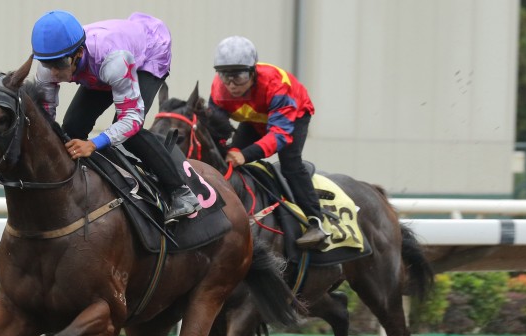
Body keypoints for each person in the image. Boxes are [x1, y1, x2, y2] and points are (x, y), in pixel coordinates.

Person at [31, 10, 201, 221]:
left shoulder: (114, 61)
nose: (54, 73)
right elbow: (46, 119)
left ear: (79, 53)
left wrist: (93, 144)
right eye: (49, 65)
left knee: (128, 134)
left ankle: (180, 192)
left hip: (150, 51)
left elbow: (132, 120)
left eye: (60, 65)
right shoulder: (50, 64)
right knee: (72, 127)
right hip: (101, 65)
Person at [209, 35, 329, 249]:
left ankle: (315, 222)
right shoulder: (218, 89)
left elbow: (279, 136)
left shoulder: (277, 85)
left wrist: (245, 154)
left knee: (290, 162)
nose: (231, 85)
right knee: (228, 159)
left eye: (239, 76)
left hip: (293, 115)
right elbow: (215, 131)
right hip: (254, 116)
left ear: (253, 72)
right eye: (225, 76)